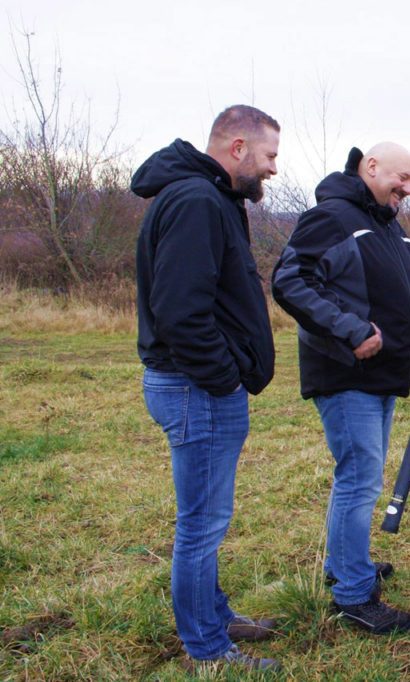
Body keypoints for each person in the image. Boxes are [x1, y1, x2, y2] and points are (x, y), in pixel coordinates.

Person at [134, 105, 281, 671]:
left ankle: (214, 618)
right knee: (200, 525)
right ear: (238, 147)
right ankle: (209, 648)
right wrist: (223, 378)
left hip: (199, 386)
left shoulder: (210, 197)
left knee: (208, 518)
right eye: (269, 156)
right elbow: (180, 311)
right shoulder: (196, 200)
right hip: (195, 387)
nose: (272, 169)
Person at [272, 142, 410, 635]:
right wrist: (350, 330)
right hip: (345, 372)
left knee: (356, 478)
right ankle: (354, 595)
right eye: (401, 177)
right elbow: (291, 280)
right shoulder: (332, 217)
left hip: (381, 376)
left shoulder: (388, 225)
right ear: (371, 166)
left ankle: (346, 564)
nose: (407, 188)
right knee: (361, 480)